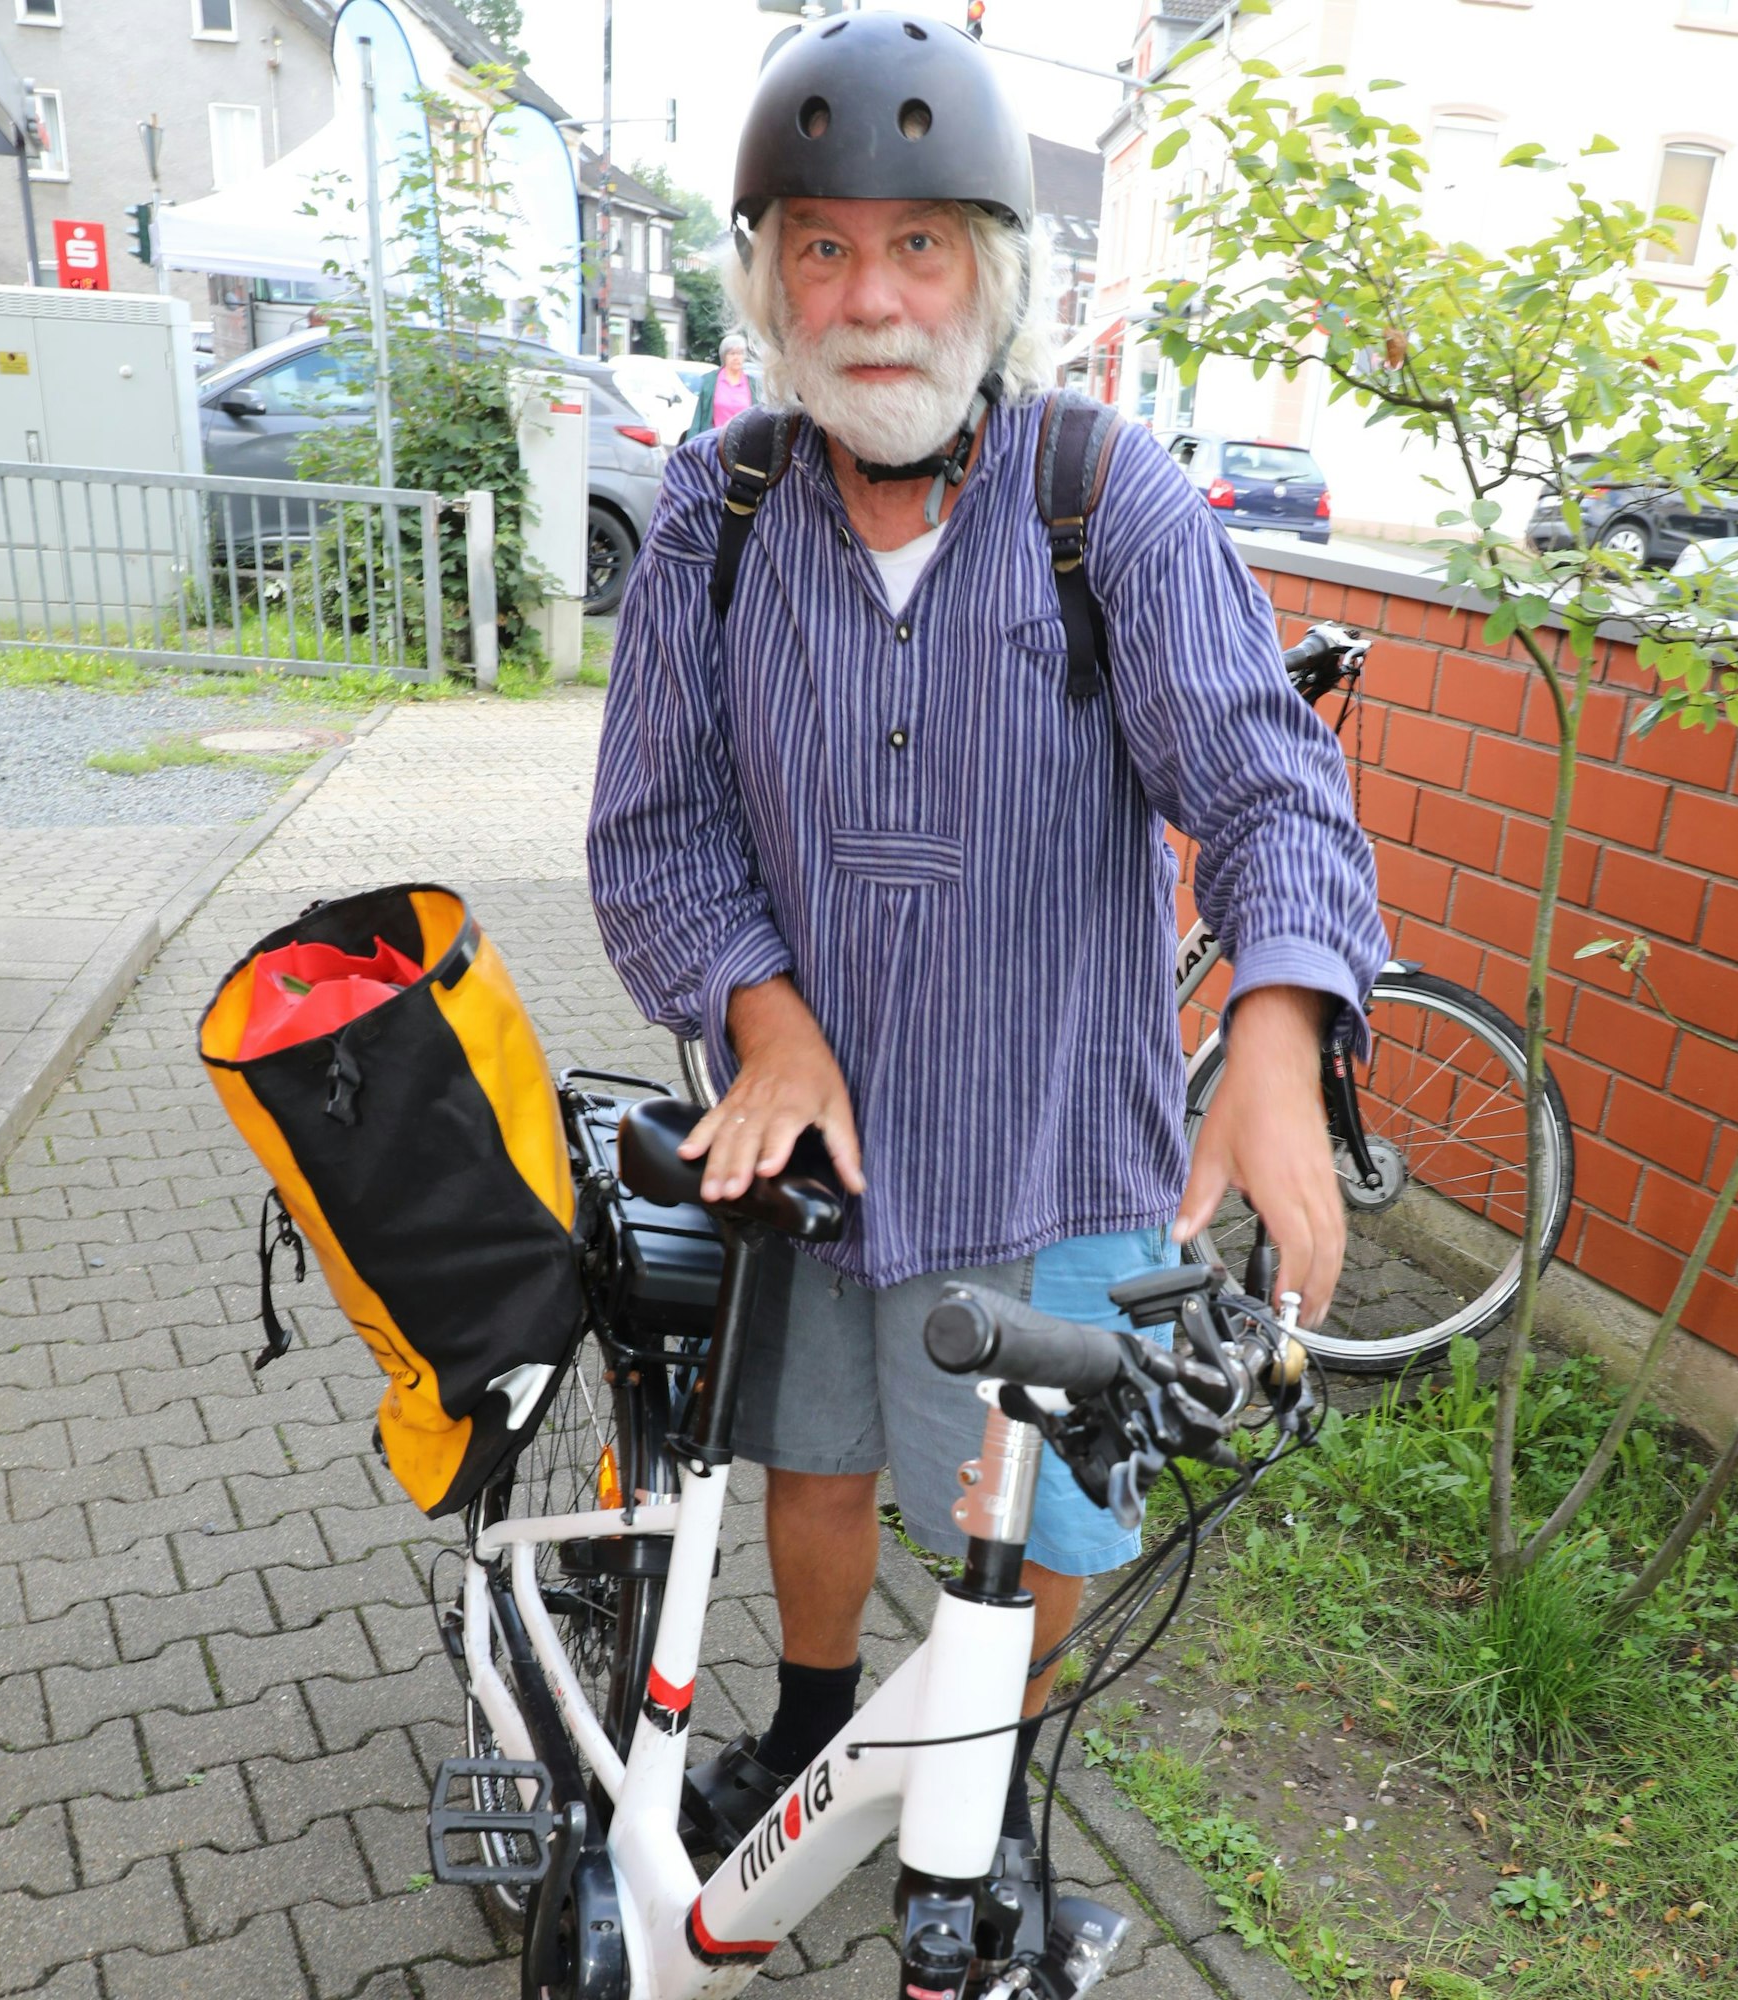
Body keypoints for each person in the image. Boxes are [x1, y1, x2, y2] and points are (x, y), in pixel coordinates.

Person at [587, 7, 1387, 1923]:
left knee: (1043, 1513)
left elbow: (1268, 780)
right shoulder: (718, 514)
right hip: (817, 1144)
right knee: (813, 1455)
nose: (873, 298)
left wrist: (1282, 1027)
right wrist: (765, 1017)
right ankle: (807, 1726)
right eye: (824, 246)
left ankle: (989, 1789)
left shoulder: (1106, 500)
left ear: (994, 273)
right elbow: (653, 828)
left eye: (920, 244)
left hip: (1061, 1142)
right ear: (767, 282)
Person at [689, 332, 759, 436]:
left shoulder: (752, 384)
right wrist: (692, 442)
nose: (736, 357)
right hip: (714, 440)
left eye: (740, 353)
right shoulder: (711, 381)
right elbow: (698, 417)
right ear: (724, 356)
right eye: (732, 353)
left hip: (744, 441)